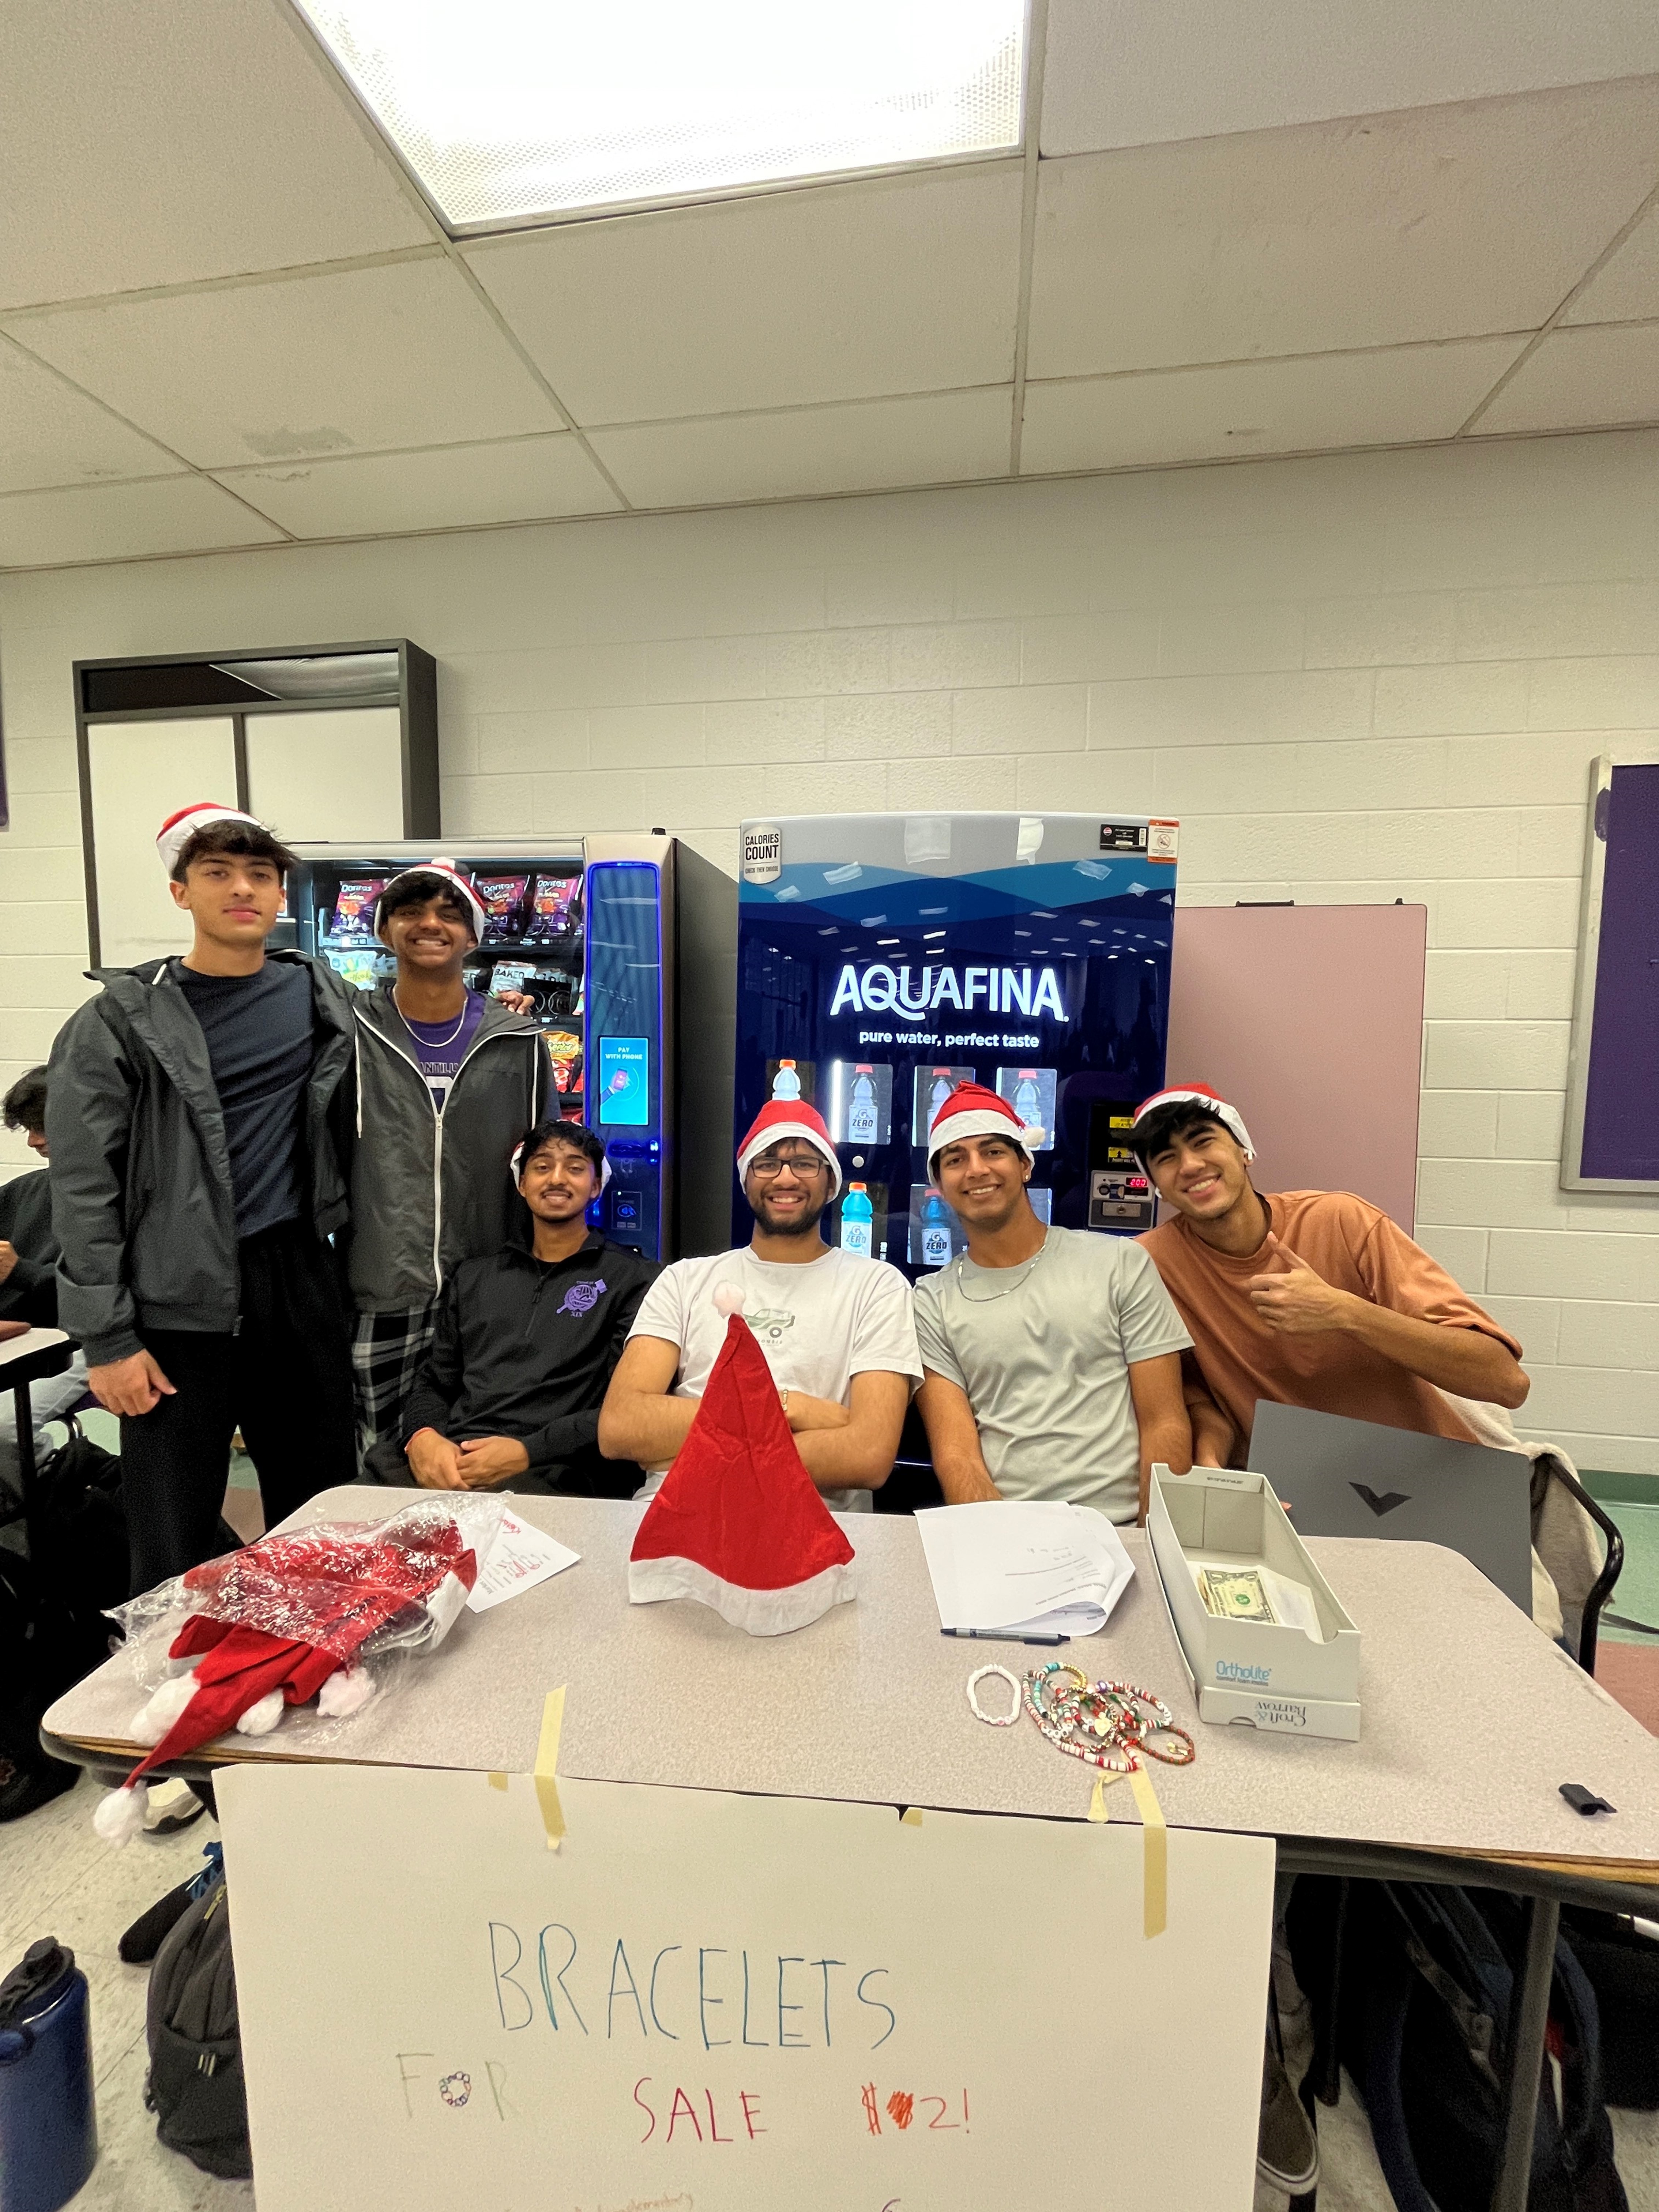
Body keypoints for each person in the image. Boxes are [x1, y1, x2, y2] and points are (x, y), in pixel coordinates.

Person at [46, 803, 358, 1592]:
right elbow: (83, 1188)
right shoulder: (118, 1022)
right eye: (218, 873)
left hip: (295, 1278)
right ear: (181, 892)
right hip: (173, 1298)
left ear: (283, 895)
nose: (243, 889)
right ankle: (168, 1691)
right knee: (173, 1530)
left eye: (260, 874)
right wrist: (107, 1341)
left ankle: (323, 1672)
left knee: (320, 1509)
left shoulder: (319, 996)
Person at [1131, 1083, 1530, 1467]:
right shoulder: (1149, 1264)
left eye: (1203, 1142)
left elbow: (1506, 1383)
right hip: (1287, 1491)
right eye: (1166, 1158)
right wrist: (1210, 1459)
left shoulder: (1343, 1221)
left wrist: (1345, 1313)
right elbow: (1192, 1400)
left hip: (1425, 1478)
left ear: (1244, 1151)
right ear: (1156, 1186)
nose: (1191, 1166)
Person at [598, 1098, 919, 1506]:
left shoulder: (877, 1286)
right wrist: (792, 1409)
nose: (785, 1178)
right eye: (767, 1163)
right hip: (675, 1521)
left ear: (831, 1182)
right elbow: (620, 1427)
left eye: (805, 1163)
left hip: (815, 1532)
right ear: (746, 1179)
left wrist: (689, 1446)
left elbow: (868, 1457)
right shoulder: (684, 1280)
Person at [346, 859, 556, 1463]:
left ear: (474, 934)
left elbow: (541, 1161)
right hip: (380, 1284)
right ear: (386, 930)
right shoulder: (350, 1029)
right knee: (381, 1458)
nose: (429, 924)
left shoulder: (517, 1040)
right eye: (411, 910)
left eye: (449, 912)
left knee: (474, 1456)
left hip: (486, 1288)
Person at [912, 1084, 1193, 1523]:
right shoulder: (930, 1301)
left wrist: (1151, 1540)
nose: (976, 1170)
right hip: (1008, 1533)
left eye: (993, 1152)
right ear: (941, 1187)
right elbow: (957, 1457)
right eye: (955, 1159)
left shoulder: (1120, 1263)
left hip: (1122, 1529)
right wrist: (1000, 1549)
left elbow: (1165, 1423)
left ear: (1025, 1165)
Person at [393, 1120, 655, 1496]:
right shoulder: (474, 1277)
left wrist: (527, 1452)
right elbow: (436, 1381)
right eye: (542, 1167)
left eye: (576, 1168)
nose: (557, 1179)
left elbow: (626, 1409)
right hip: (452, 1458)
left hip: (556, 1471)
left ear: (596, 1186)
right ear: (522, 1183)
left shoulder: (634, 1279)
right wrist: (422, 1437)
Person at [0, 1067, 91, 1499]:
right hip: (17, 1340)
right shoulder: (20, 1194)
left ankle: (64, 1493)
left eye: (41, 1127)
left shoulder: (124, 1197)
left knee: (4, 1429)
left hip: (85, 1343)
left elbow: (102, 1298)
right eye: (28, 1129)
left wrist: (20, 1272)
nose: (34, 1141)